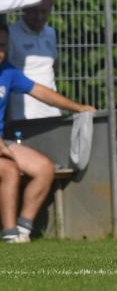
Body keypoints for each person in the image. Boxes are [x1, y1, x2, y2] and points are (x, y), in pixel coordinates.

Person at [0, 23, 96, 243]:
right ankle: (9, 234)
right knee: (9, 170)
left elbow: (41, 92)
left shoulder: (8, 71)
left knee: (44, 168)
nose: (1, 52)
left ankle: (23, 229)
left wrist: (78, 108)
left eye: (3, 46)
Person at [8, 0, 61, 120]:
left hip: (51, 111)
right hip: (22, 114)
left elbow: (54, 65)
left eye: (44, 12)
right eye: (34, 12)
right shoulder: (11, 34)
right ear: (24, 9)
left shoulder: (51, 33)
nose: (39, 17)